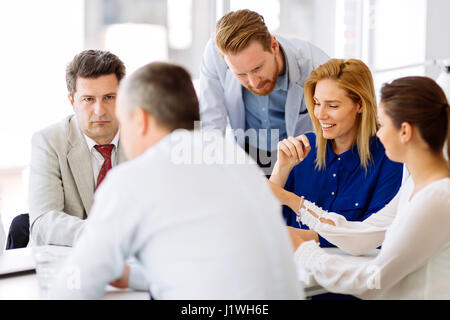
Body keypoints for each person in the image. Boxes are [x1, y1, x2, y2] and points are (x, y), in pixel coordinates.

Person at [48, 62, 303, 300]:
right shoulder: (233, 159)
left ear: (141, 120)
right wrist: (131, 277)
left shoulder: (134, 179)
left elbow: (74, 285)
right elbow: (207, 268)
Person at [288, 76, 450, 299]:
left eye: (382, 125)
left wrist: (304, 252)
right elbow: (364, 233)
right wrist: (297, 219)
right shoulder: (416, 185)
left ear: (405, 131)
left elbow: (371, 281)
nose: (378, 133)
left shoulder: (437, 198)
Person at [269, 59, 403, 249]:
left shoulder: (387, 155)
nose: (320, 114)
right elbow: (264, 219)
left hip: (352, 273)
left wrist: (298, 235)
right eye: (317, 103)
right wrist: (280, 170)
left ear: (360, 105)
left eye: (332, 106)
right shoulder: (302, 148)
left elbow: (373, 237)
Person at [198, 9, 329, 174]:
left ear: (273, 46)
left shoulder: (317, 66)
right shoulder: (216, 55)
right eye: (241, 74)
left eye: (257, 68)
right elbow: (212, 125)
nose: (253, 82)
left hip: (297, 162)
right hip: (246, 156)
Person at [28, 50, 127, 246]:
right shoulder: (49, 142)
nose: (99, 110)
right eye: (88, 99)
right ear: (72, 102)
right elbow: (43, 223)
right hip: (65, 267)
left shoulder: (142, 139)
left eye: (109, 97)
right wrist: (107, 236)